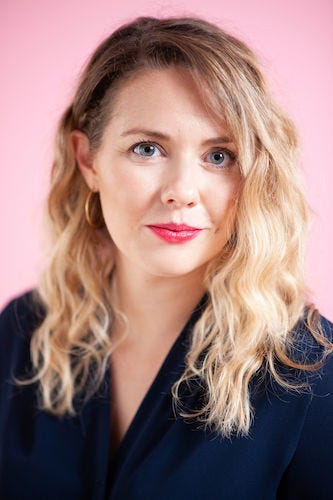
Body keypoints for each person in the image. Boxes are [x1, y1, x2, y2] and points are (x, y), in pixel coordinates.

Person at [0, 16, 332, 500]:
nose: (181, 192)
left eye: (219, 156)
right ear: (88, 160)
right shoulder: (21, 332)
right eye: (147, 148)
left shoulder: (310, 372)